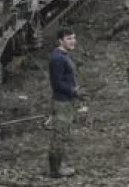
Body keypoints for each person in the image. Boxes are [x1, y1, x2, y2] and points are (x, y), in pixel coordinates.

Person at [49, 27, 84, 178]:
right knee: (59, 135)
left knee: (63, 133)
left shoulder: (63, 55)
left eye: (74, 37)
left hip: (67, 101)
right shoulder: (57, 58)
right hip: (62, 102)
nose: (72, 41)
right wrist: (74, 91)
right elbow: (56, 84)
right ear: (60, 40)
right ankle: (55, 170)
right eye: (68, 38)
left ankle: (59, 165)